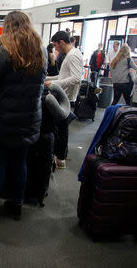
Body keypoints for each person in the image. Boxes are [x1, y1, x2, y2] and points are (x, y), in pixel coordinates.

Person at [0, 11, 46, 223]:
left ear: (7, 26)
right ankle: (16, 205)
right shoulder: (41, 50)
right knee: (20, 162)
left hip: (2, 119)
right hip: (28, 119)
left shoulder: (5, 50)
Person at [45, 31, 83, 169]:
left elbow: (76, 78)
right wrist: (47, 79)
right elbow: (62, 77)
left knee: (62, 129)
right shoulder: (70, 55)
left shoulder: (73, 56)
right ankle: (60, 156)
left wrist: (54, 85)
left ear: (62, 42)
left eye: (56, 45)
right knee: (60, 128)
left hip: (65, 99)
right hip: (63, 96)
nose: (56, 49)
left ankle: (61, 158)